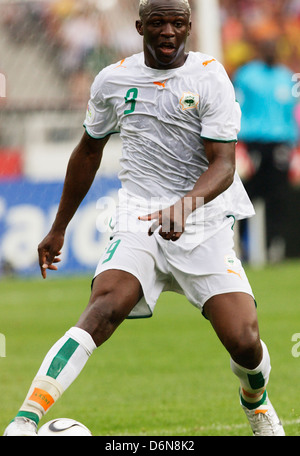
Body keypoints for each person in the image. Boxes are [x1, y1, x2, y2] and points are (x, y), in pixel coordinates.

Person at [4, 0, 285, 436]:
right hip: (138, 216)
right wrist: (58, 227)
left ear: (190, 25)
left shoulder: (210, 77)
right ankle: (24, 420)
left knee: (245, 341)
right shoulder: (113, 79)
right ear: (139, 26)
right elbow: (88, 151)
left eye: (177, 22)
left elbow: (224, 166)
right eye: (157, 22)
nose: (168, 31)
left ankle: (256, 400)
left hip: (204, 221)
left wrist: (186, 204)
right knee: (102, 308)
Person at [233, 38, 299, 263]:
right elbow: (236, 106)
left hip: (281, 144)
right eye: (267, 46)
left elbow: (292, 113)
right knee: (246, 197)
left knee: (278, 198)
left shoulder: (287, 77)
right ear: (260, 49)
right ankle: (243, 247)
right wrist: (238, 144)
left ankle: (274, 248)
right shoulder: (246, 75)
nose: (271, 50)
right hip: (252, 142)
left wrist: (295, 147)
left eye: (274, 46)